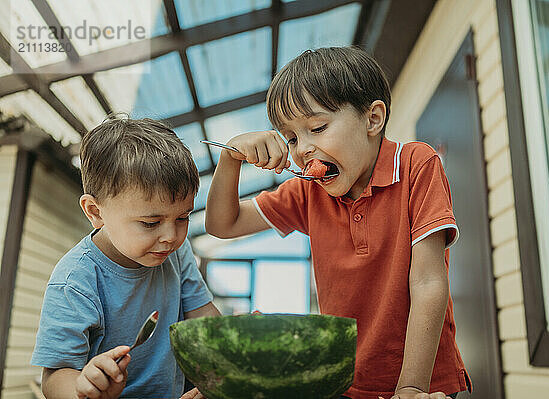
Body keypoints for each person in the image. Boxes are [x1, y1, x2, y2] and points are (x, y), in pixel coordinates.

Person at [204, 47, 471, 399]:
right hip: (346, 385)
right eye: (293, 138)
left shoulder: (415, 165)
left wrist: (410, 386)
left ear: (373, 119)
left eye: (317, 127)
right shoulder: (308, 192)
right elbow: (223, 224)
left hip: (424, 383)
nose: (302, 150)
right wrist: (230, 159)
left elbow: (428, 281)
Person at [31, 116, 221, 399]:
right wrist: (84, 389)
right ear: (95, 212)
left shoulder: (176, 252)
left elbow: (201, 320)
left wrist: (231, 350)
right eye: (150, 223)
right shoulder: (76, 281)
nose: (171, 235)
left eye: (183, 217)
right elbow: (55, 376)